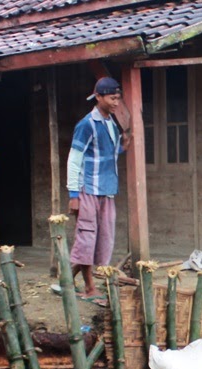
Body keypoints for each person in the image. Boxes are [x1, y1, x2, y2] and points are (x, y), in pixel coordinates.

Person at [67, 77, 130, 300]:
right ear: (99, 97)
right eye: (112, 98)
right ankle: (89, 287)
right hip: (88, 189)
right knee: (86, 238)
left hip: (107, 190)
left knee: (103, 239)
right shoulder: (86, 125)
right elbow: (74, 160)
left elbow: (107, 154)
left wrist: (123, 147)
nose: (116, 102)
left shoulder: (111, 124)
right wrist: (73, 194)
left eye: (118, 98)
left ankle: (65, 280)